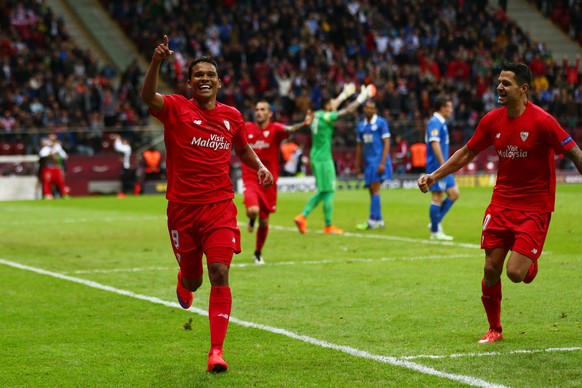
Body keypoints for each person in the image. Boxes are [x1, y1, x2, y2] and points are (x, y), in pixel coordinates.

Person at [418, 63, 582, 344]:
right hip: (501, 204)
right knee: (491, 269)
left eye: (506, 83)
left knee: (516, 273)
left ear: (523, 89)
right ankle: (495, 329)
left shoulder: (543, 121)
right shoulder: (492, 120)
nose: (499, 88)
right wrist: (433, 176)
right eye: (499, 82)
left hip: (534, 207)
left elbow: (574, 153)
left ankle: (530, 263)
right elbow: (466, 153)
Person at [140, 35, 274, 373]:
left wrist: (259, 167)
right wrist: (156, 61)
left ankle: (216, 351)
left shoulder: (232, 116)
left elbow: (242, 148)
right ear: (189, 82)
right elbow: (146, 96)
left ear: (218, 81)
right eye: (198, 75)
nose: (204, 79)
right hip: (182, 210)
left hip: (219, 207)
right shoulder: (175, 108)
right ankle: (183, 279)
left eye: (210, 75)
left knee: (220, 272)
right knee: (194, 280)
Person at [294, 83, 374, 235]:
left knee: (324, 191)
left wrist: (344, 95)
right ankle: (326, 225)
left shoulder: (317, 114)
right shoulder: (326, 116)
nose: (334, 104)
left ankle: (303, 217)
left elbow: (333, 105)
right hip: (324, 159)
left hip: (315, 155)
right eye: (331, 104)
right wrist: (361, 98)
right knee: (329, 191)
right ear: (328, 107)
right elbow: (347, 111)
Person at [242, 100, 313, 264]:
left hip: (268, 181)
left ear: (269, 113)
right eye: (257, 109)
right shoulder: (247, 128)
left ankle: (258, 253)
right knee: (253, 210)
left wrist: (304, 123)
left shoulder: (275, 129)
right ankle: (252, 218)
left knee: (265, 221)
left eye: (262, 109)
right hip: (251, 177)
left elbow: (289, 129)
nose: (258, 112)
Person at [354, 100, 392, 230]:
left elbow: (387, 142)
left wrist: (382, 163)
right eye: (366, 108)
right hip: (368, 162)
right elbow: (359, 146)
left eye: (371, 108)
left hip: (378, 161)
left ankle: (371, 221)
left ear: (375, 110)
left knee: (375, 189)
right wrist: (357, 164)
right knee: (371, 190)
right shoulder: (361, 126)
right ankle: (379, 220)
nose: (368, 110)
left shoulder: (381, 123)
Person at [425, 94, 458, 241]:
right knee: (437, 197)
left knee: (454, 194)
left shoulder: (441, 122)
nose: (451, 110)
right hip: (437, 166)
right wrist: (444, 164)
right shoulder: (435, 122)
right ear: (442, 108)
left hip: (444, 166)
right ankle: (435, 231)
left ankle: (435, 223)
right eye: (449, 107)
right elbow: (435, 143)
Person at [38, 135, 69, 200]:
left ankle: (64, 194)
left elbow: (65, 156)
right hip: (48, 167)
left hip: (56, 167)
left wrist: (57, 152)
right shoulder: (46, 148)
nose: (53, 141)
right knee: (47, 181)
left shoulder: (58, 147)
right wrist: (50, 153)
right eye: (51, 139)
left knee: (61, 181)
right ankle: (47, 194)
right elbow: (41, 154)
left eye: (54, 139)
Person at [113, 134, 132, 198]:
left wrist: (118, 139)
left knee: (125, 181)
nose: (123, 142)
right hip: (125, 166)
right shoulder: (126, 147)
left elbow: (118, 148)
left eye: (123, 141)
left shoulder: (127, 147)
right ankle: (124, 192)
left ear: (126, 142)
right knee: (124, 180)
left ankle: (125, 193)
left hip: (127, 166)